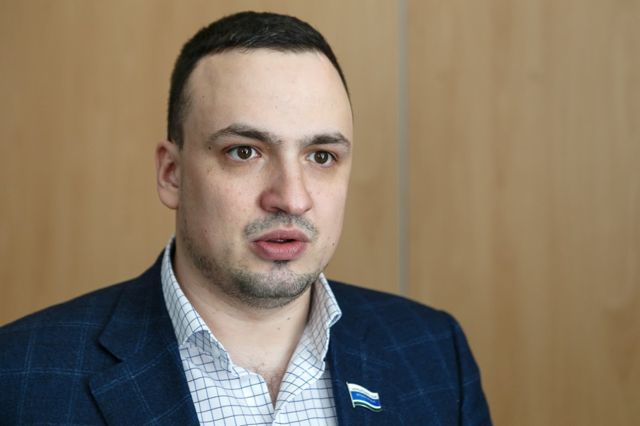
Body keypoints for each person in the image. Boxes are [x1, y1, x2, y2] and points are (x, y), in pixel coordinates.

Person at [0, 11, 491, 425]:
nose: (291, 198)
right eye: (244, 151)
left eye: (321, 156)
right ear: (171, 174)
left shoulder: (433, 352)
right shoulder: (19, 376)